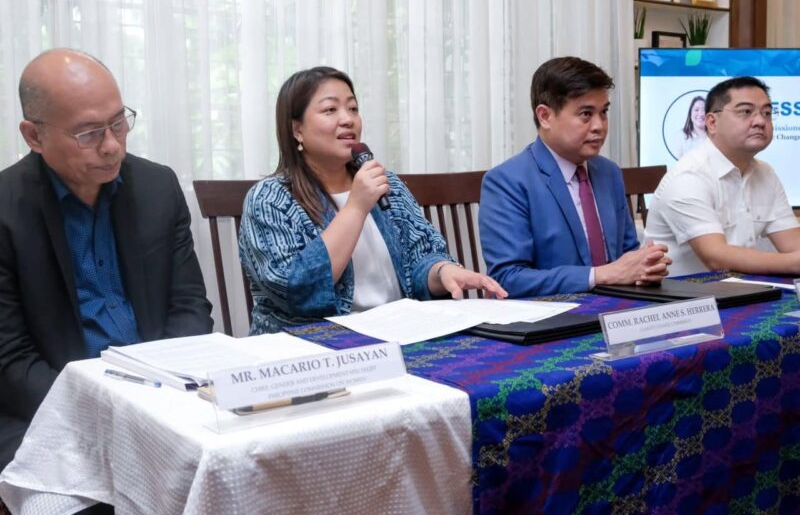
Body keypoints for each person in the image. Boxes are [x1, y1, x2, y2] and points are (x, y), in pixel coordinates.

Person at [0, 49, 213, 471]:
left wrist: (160, 399)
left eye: (118, 122)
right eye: (88, 134)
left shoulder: (157, 186)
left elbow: (189, 308)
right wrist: (112, 410)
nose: (112, 145)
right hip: (49, 407)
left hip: (164, 396)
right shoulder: (6, 209)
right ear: (34, 136)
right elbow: (10, 360)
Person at [239, 66, 506, 333]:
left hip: (400, 334)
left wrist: (442, 272)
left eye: (353, 109)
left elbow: (423, 256)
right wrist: (356, 206)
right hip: (313, 349)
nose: (348, 119)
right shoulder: (270, 198)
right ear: (297, 130)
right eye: (330, 110)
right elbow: (295, 289)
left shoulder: (385, 183)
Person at [479, 56, 670, 298]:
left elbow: (626, 255)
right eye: (586, 114)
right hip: (553, 320)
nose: (599, 126)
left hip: (618, 311)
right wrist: (600, 275)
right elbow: (507, 278)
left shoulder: (609, 173)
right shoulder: (507, 182)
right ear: (545, 116)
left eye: (604, 112)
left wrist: (645, 266)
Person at [645, 76, 800, 276]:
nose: (760, 121)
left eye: (767, 113)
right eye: (745, 112)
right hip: (683, 302)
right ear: (712, 122)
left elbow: (793, 244)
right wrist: (794, 264)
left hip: (741, 291)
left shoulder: (765, 173)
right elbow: (716, 258)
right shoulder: (689, 177)